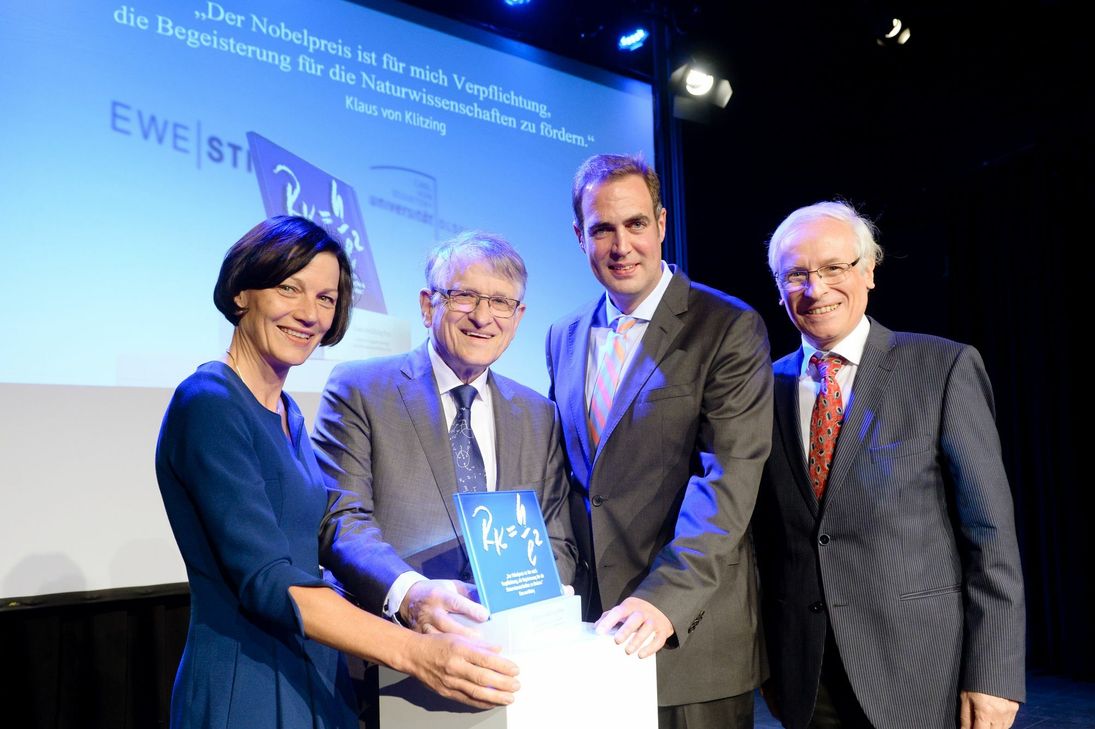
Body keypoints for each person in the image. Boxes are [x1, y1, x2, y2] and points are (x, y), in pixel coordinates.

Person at [155, 216, 520, 729]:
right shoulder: (209, 403)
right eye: (290, 288)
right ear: (242, 293)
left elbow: (320, 543)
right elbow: (269, 580)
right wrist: (417, 653)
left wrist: (414, 598)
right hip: (247, 688)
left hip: (316, 680)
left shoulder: (287, 412)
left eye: (326, 299)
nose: (308, 313)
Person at [753, 201, 1025, 729]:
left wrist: (994, 674)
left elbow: (990, 533)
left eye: (834, 268)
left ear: (869, 271)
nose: (816, 288)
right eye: (797, 274)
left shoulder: (942, 367)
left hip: (922, 677)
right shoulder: (759, 387)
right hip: (806, 683)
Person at [545, 154, 773, 729]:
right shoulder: (564, 335)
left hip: (689, 638)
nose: (621, 245)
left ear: (662, 223)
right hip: (593, 638)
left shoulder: (727, 325)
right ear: (580, 237)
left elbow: (728, 481)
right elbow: (571, 483)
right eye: (602, 229)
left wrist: (662, 601)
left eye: (636, 224)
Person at [313, 231, 577, 636]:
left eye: (501, 302)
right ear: (427, 305)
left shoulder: (539, 415)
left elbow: (555, 540)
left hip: (506, 656)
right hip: (388, 651)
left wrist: (526, 617)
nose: (482, 317)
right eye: (464, 296)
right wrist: (411, 595)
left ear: (518, 317)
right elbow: (342, 522)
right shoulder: (360, 389)